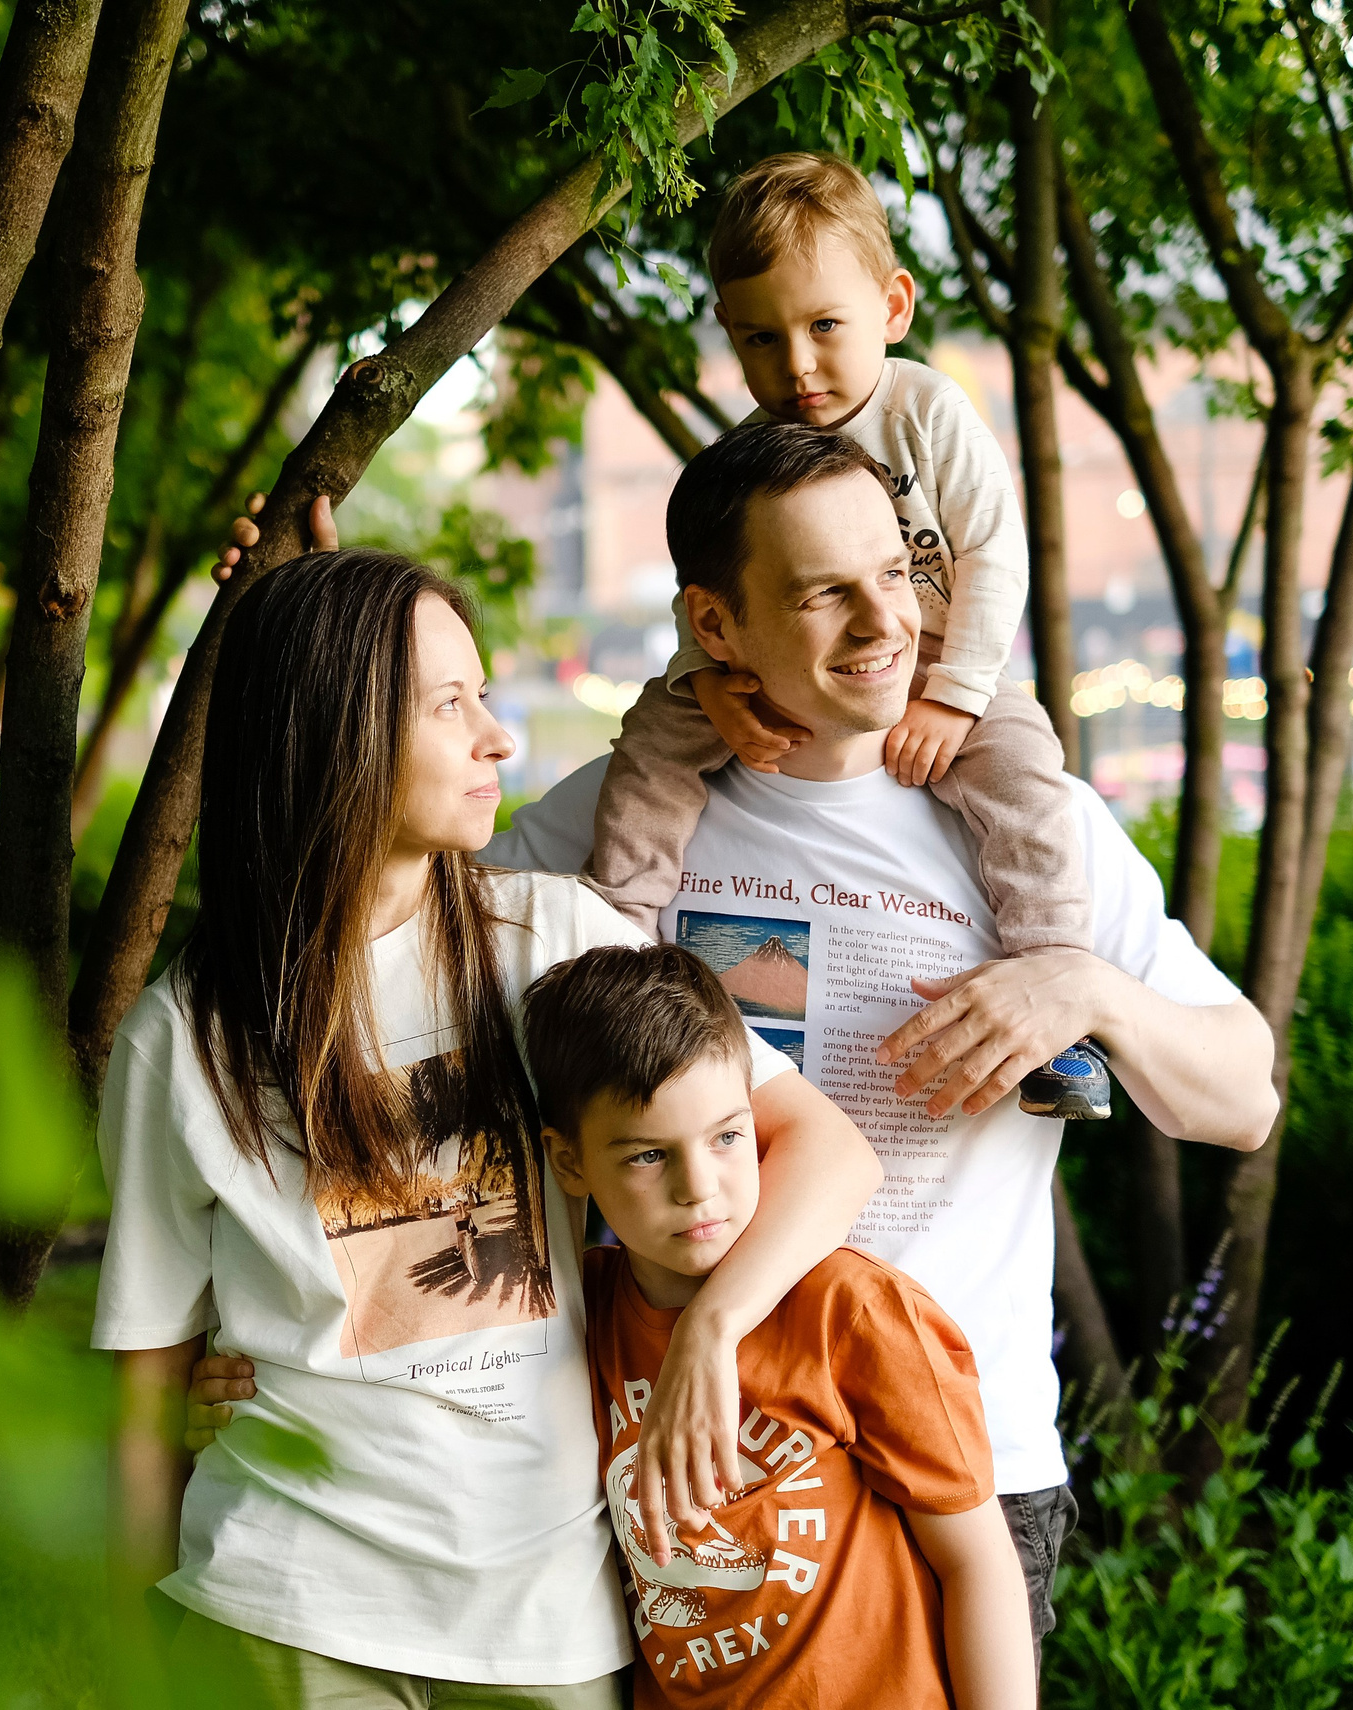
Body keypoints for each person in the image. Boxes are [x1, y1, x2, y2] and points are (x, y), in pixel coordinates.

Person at [202, 428, 1284, 1659]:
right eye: (824, 592)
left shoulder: (1029, 832)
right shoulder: (620, 826)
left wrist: (1085, 990)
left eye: (897, 572)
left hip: (959, 1470)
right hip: (684, 1448)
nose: (885, 623)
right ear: (715, 627)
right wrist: (314, 634)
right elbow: (368, 936)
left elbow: (1242, 1101)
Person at [96, 549, 882, 1707]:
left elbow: (825, 1148)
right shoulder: (188, 1034)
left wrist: (712, 1331)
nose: (497, 738)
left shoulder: (547, 940)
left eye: (484, 694)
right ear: (332, 730)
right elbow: (144, 1379)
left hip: (545, 1613)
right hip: (281, 1605)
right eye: (448, 704)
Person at [579, 152, 1107, 1122]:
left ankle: (1053, 995)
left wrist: (955, 695)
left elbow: (995, 555)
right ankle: (611, 947)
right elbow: (708, 584)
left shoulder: (928, 414)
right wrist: (707, 681)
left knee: (1025, 774)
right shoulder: (756, 452)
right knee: (654, 736)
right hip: (802, 675)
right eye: (761, 339)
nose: (797, 366)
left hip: (945, 657)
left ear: (892, 307)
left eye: (825, 326)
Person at [526, 942, 1038, 1710]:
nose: (699, 1188)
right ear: (569, 1165)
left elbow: (977, 1565)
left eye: (728, 1138)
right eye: (645, 1156)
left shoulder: (850, 1310)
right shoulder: (579, 1314)